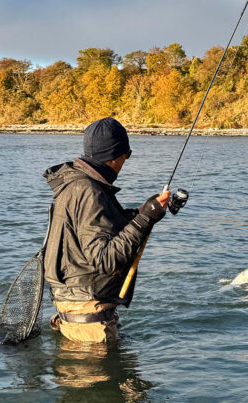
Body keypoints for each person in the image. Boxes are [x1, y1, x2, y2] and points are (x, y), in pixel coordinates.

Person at [42, 117, 168, 343]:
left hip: (75, 307)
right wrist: (144, 220)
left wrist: (141, 213)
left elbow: (96, 230)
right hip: (88, 319)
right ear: (114, 157)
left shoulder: (75, 184)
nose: (125, 162)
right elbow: (104, 259)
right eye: (126, 155)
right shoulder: (89, 191)